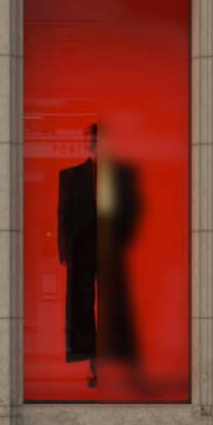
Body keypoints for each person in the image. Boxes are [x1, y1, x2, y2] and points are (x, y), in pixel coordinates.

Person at [57, 122, 142, 388]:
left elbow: (134, 210)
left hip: (111, 249)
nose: (95, 143)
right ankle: (92, 364)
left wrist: (122, 244)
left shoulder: (122, 175)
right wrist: (65, 251)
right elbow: (63, 216)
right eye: (92, 139)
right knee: (80, 308)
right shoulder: (70, 176)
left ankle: (116, 366)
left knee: (113, 307)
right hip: (81, 249)